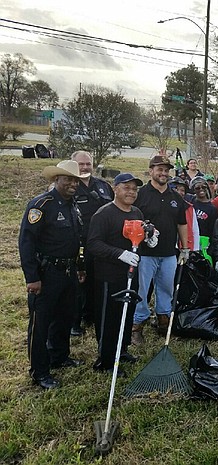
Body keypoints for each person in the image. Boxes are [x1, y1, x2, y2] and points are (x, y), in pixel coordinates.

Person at [19, 160, 89, 389]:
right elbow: (26, 243)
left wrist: (79, 267)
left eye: (76, 180)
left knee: (64, 317)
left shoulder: (72, 205)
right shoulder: (41, 205)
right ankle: (39, 371)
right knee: (41, 324)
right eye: (68, 179)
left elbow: (77, 240)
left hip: (68, 271)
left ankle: (59, 357)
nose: (73, 184)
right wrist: (32, 277)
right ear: (56, 179)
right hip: (46, 273)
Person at [87, 174, 156, 376]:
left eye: (134, 189)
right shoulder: (104, 214)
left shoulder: (136, 212)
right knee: (109, 317)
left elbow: (140, 237)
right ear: (115, 189)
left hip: (131, 274)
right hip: (109, 275)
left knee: (127, 313)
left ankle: (122, 349)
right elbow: (93, 244)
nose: (131, 192)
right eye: (126, 188)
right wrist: (119, 254)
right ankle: (106, 360)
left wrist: (150, 237)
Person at [132, 155, 189, 345]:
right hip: (145, 254)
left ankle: (163, 321)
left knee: (166, 288)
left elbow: (182, 223)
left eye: (166, 170)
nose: (163, 173)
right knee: (141, 290)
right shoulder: (141, 194)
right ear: (151, 171)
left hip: (168, 254)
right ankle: (137, 326)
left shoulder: (175, 197)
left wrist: (185, 247)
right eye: (160, 170)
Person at [70, 150, 114, 336]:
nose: (85, 167)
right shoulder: (69, 186)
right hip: (79, 243)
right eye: (81, 164)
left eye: (88, 163)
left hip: (101, 244)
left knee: (97, 280)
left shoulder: (103, 186)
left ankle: (92, 315)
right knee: (78, 282)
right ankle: (75, 321)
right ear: (73, 165)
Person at [189, 176, 218, 241]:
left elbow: (212, 230)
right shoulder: (190, 201)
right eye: (197, 188)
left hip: (203, 240)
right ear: (194, 190)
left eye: (204, 187)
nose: (201, 189)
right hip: (189, 239)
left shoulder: (212, 209)